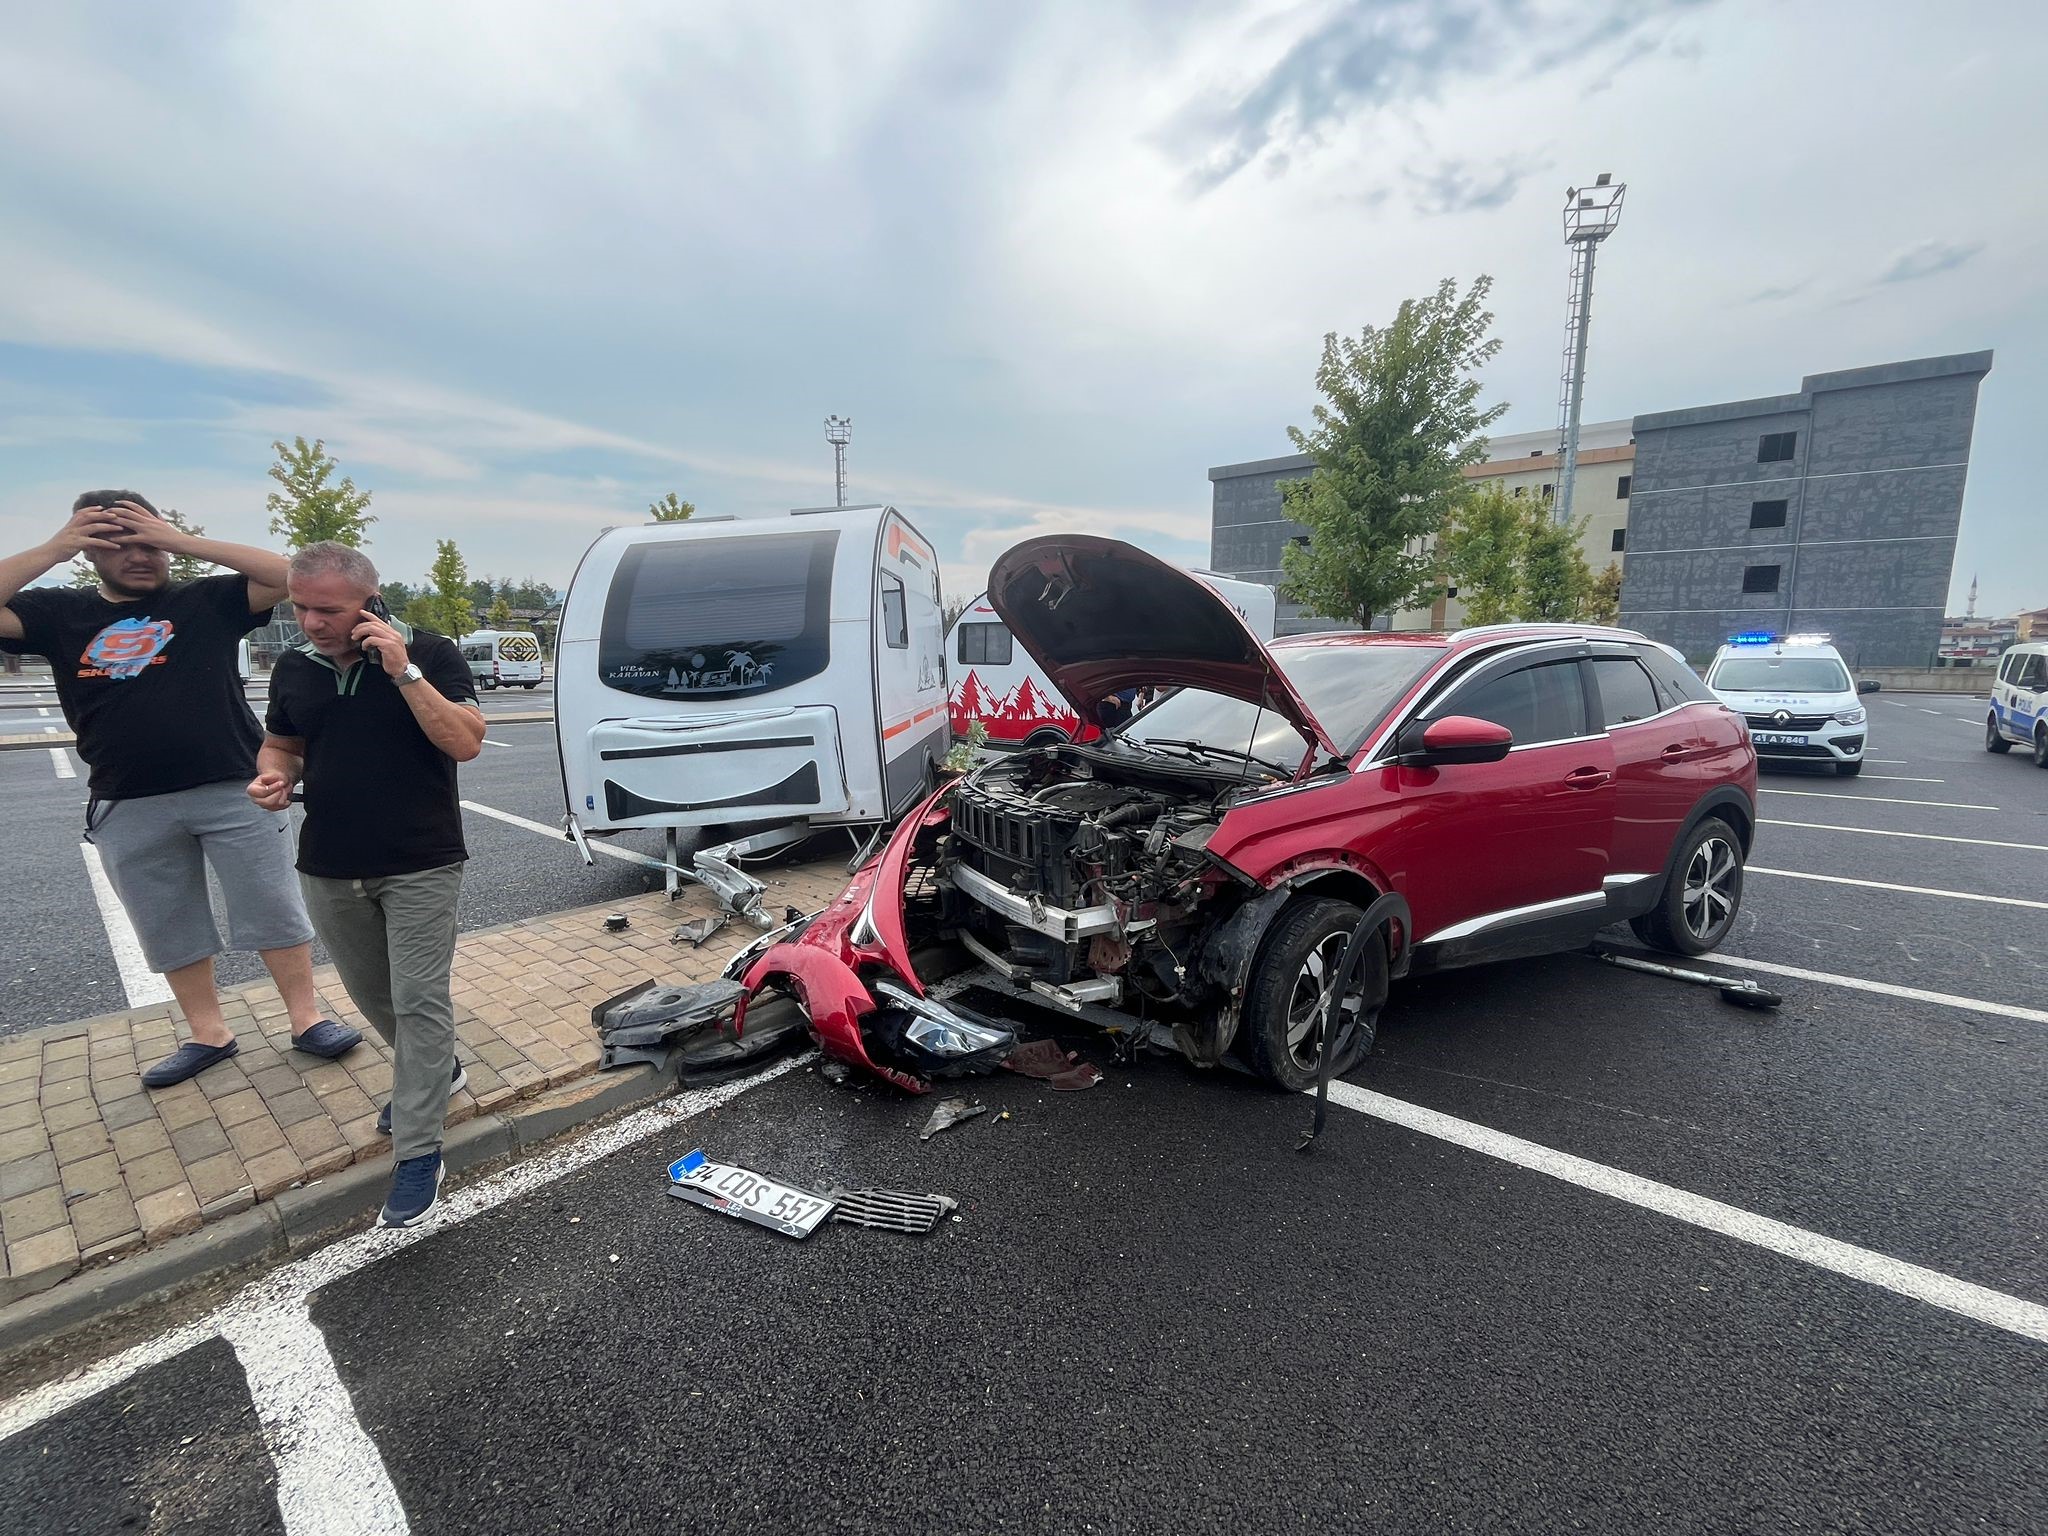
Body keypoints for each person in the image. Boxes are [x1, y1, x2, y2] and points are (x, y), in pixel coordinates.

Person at [0, 494, 362, 1085]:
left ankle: (306, 1020)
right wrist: (56, 547)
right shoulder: (57, 612)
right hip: (127, 797)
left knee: (272, 906)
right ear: (92, 554)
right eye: (120, 546)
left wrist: (178, 539)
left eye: (149, 543)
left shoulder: (206, 601)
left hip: (232, 786)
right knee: (167, 921)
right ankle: (208, 1033)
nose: (140, 556)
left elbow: (285, 574)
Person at [251, 542, 485, 1227]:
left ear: (369, 602)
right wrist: (275, 775)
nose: (311, 621)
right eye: (300, 605)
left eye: (327, 608)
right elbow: (284, 743)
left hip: (421, 859)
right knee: (372, 994)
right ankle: (437, 1076)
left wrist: (403, 669)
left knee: (417, 999)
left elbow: (466, 740)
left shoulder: (433, 654)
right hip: (329, 859)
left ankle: (419, 1150)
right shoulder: (295, 666)